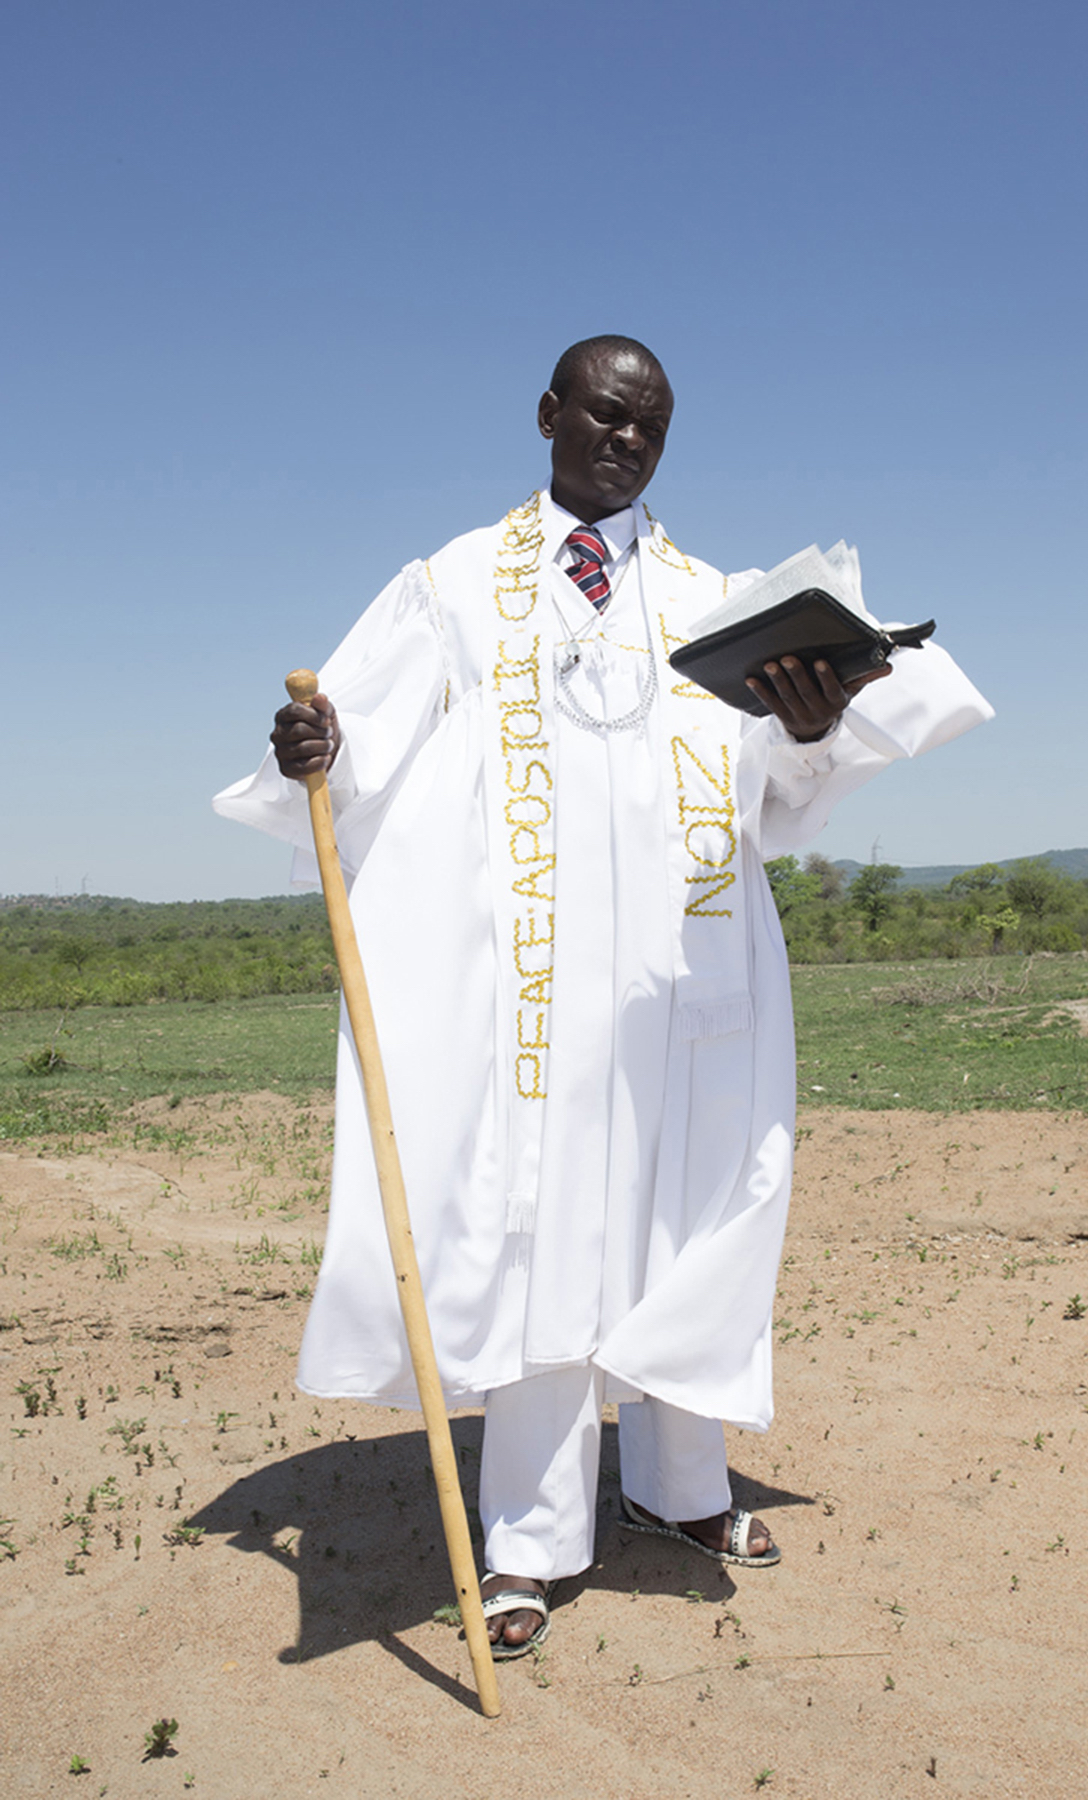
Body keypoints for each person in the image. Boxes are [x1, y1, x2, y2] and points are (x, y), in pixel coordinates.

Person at [215, 335, 991, 1659]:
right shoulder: (456, 583)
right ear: (550, 415)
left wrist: (808, 723)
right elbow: (356, 740)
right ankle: (527, 1541)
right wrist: (317, 746)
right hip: (532, 986)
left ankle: (682, 1493)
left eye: (653, 426)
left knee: (696, 1213)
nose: (629, 440)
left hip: (689, 971)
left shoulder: (708, 599)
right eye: (608, 414)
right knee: (546, 1230)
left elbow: (786, 793)